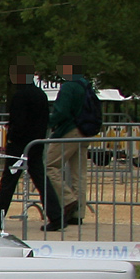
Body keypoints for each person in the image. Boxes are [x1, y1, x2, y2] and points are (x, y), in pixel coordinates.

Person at [0, 64, 58, 231]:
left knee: (9, 180)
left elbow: (19, 122)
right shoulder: (40, 95)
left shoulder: (20, 96)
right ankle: (57, 214)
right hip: (35, 143)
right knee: (40, 179)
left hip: (19, 146)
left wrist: (12, 137)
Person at [46, 59, 98, 228]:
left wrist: (48, 122)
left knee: (49, 166)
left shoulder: (68, 87)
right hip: (85, 131)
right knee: (79, 173)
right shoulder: (86, 85)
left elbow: (61, 111)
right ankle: (78, 213)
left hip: (69, 130)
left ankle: (68, 200)